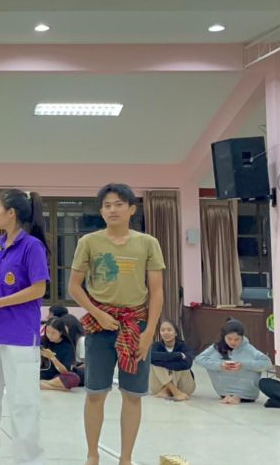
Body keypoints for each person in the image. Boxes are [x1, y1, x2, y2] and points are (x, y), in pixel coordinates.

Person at [68, 183, 165, 465]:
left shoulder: (148, 243)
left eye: (119, 204)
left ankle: (126, 458)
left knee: (132, 395)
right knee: (95, 394)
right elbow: (74, 286)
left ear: (131, 209)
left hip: (136, 325)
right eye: (107, 205)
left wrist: (149, 332)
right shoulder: (89, 242)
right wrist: (97, 314)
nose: (113, 210)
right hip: (99, 328)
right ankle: (92, 454)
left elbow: (157, 291)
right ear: (101, 211)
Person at [0, 189, 50, 465]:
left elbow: (38, 289)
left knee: (23, 405)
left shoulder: (32, 246)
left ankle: (29, 461)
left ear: (11, 213)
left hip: (19, 336)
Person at [195, 319, 272, 404]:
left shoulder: (249, 349)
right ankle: (229, 396)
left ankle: (238, 396)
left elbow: (267, 363)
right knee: (211, 359)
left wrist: (244, 365)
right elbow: (199, 359)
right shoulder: (216, 347)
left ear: (242, 337)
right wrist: (219, 365)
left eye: (237, 339)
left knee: (254, 365)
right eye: (229, 339)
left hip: (247, 394)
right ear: (224, 336)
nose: (233, 342)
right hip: (223, 392)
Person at [149, 320, 195, 401]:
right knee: (154, 363)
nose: (166, 332)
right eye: (162, 330)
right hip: (159, 387)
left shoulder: (184, 346)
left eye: (169, 330)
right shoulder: (156, 346)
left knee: (158, 363)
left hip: (183, 387)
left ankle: (169, 390)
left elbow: (187, 363)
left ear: (176, 333)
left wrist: (163, 361)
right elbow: (150, 357)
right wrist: (177, 355)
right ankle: (174, 391)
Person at [39, 316, 81, 391]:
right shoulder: (41, 341)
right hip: (39, 374)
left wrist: (52, 358)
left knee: (73, 378)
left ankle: (41, 384)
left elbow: (65, 372)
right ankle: (49, 386)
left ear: (61, 332)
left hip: (55, 377)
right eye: (47, 331)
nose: (50, 335)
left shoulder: (67, 347)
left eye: (53, 333)